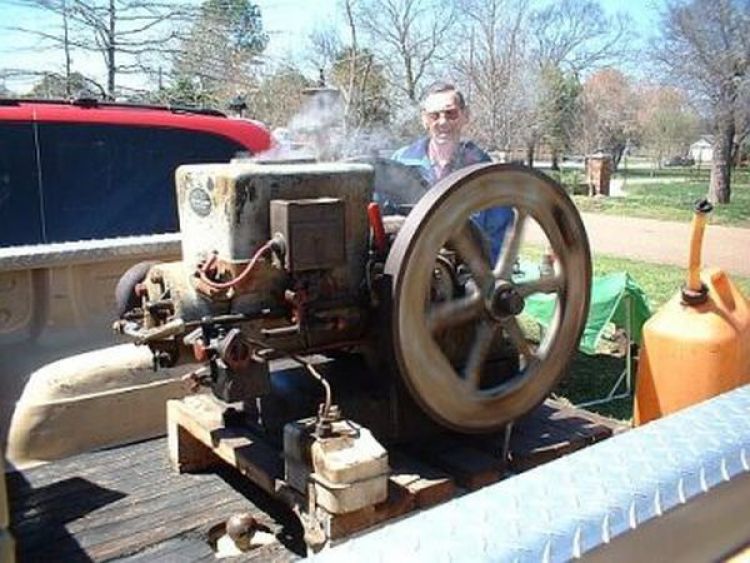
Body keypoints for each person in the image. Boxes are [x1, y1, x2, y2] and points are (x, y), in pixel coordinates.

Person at [391, 82, 514, 263]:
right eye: (434, 115)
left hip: (463, 276)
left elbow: (499, 241)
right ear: (424, 120)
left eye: (451, 113)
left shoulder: (484, 172)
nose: (443, 122)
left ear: (465, 115)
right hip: (406, 271)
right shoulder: (400, 162)